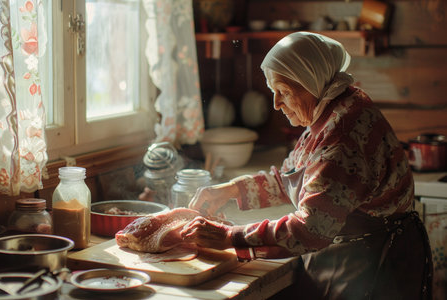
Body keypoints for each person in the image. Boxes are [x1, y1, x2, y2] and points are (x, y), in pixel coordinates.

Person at [180, 32, 433, 299]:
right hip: (354, 255)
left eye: (284, 92)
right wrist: (230, 190)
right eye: (273, 91)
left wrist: (230, 236)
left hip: (375, 266)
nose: (276, 104)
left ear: (311, 82)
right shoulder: (333, 108)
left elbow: (309, 229)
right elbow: (290, 177)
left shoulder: (343, 138)